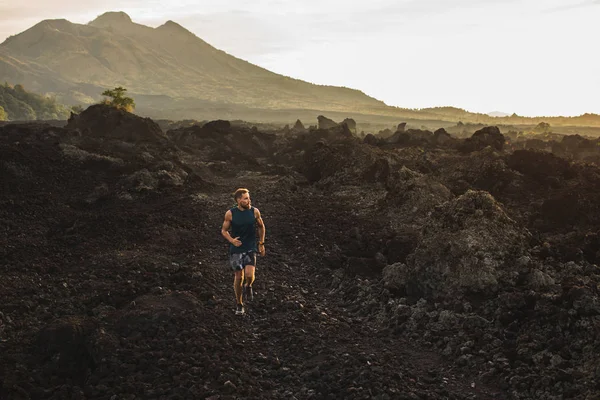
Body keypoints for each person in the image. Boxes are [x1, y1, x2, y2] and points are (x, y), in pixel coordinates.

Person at [221, 188, 266, 315]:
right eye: (246, 198)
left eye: (249, 198)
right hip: (236, 249)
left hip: (250, 247)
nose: (249, 200)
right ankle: (239, 304)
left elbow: (261, 227)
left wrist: (261, 243)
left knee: (249, 275)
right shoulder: (230, 213)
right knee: (238, 276)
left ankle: (248, 286)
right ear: (238, 200)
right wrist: (231, 240)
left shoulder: (254, 211)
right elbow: (224, 230)